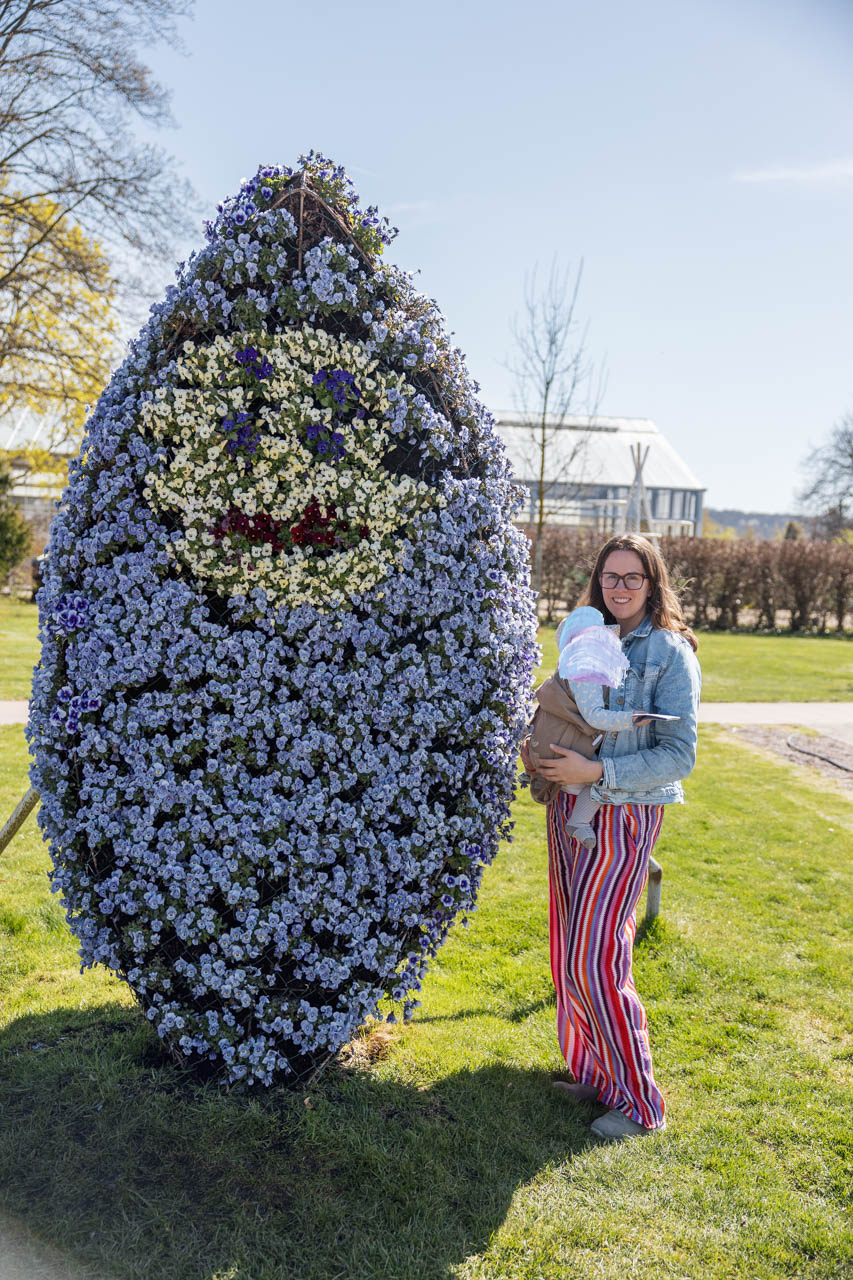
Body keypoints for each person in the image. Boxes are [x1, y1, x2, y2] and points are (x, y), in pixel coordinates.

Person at [520, 533, 701, 1142]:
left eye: (632, 578)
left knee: (599, 957)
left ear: (653, 585)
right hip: (568, 809)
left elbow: (679, 754)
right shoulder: (587, 634)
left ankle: (641, 1104)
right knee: (569, 949)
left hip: (623, 813)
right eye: (610, 577)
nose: (619, 588)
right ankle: (596, 1072)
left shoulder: (671, 653)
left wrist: (596, 771)